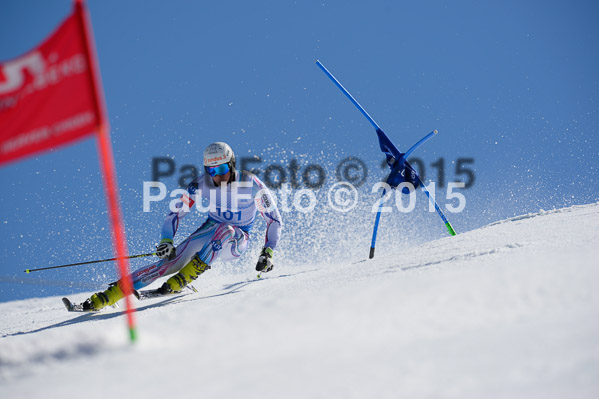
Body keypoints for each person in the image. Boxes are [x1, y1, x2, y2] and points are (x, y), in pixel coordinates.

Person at [80, 142, 283, 311]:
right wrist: (166, 240)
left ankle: (183, 279)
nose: (217, 176)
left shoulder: (252, 184)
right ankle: (106, 297)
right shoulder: (201, 184)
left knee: (226, 230)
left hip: (237, 239)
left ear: (231, 165)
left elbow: (274, 219)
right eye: (211, 170)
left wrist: (268, 252)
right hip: (210, 229)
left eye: (221, 169)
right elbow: (176, 213)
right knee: (168, 263)